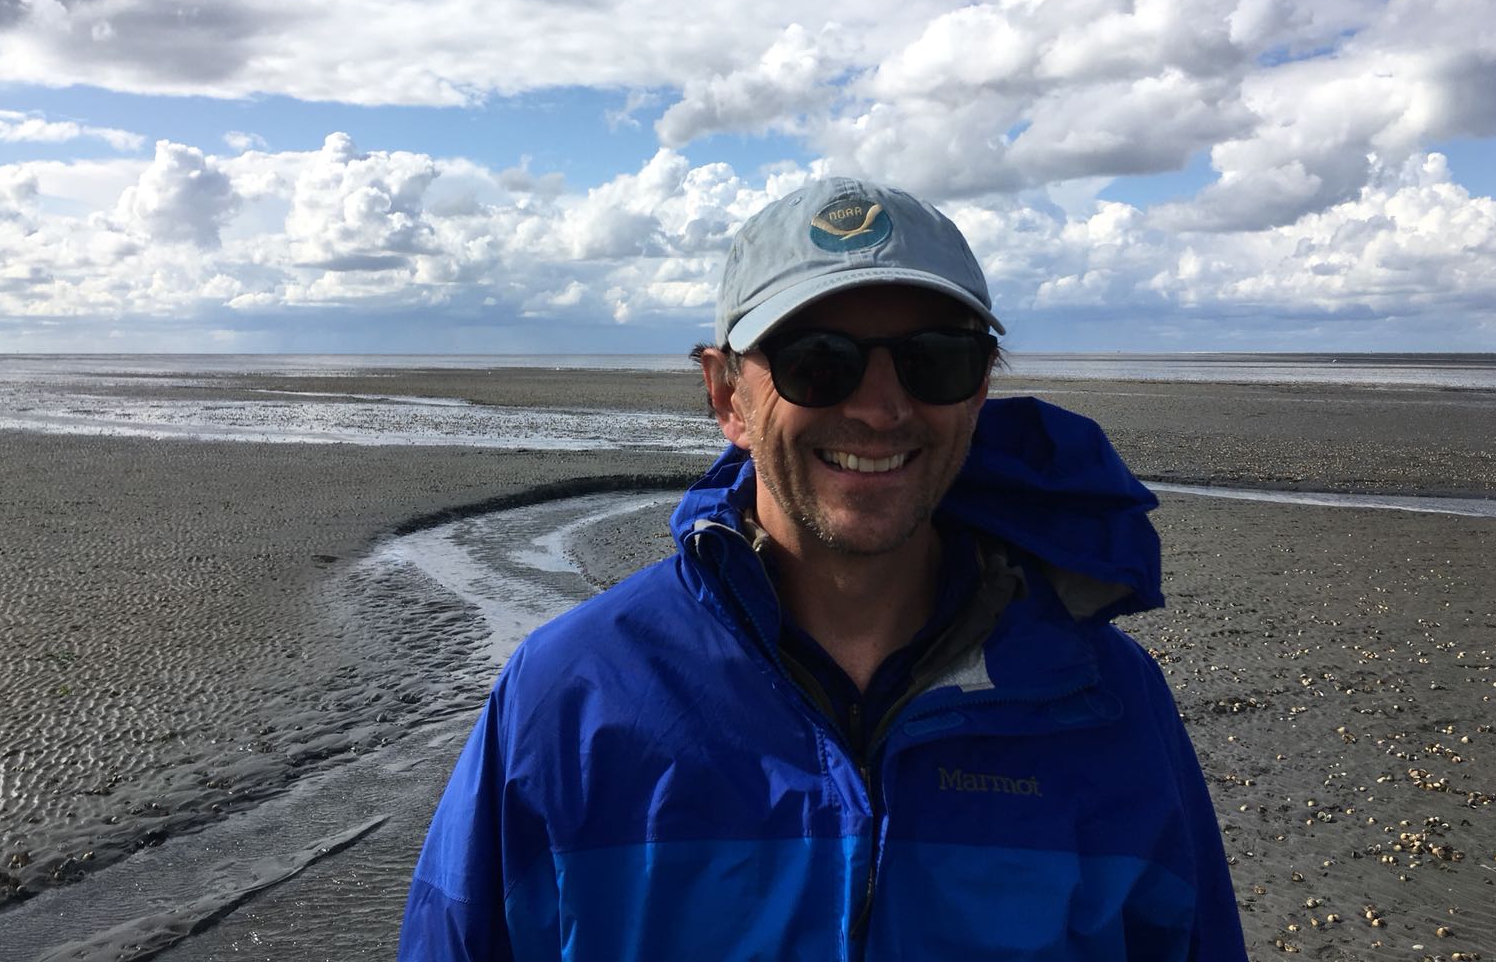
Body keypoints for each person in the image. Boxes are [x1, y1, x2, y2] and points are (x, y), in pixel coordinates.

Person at [398, 177, 1247, 960]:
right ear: (726, 393)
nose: (881, 408)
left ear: (980, 389)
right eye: (817, 362)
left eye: (936, 358)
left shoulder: (1104, 703)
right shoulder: (567, 700)